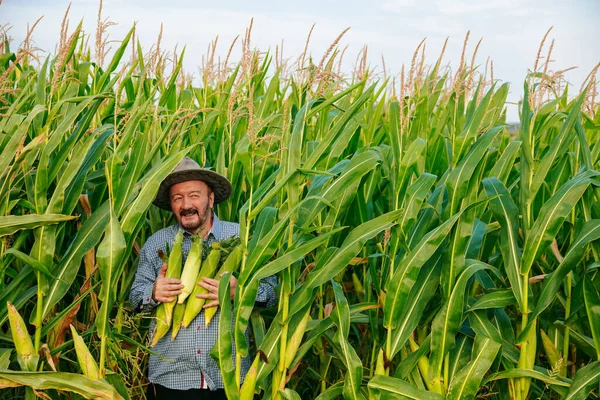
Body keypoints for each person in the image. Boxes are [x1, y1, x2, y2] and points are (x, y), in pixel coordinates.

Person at [129, 157, 277, 400]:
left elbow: (272, 292)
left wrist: (241, 292)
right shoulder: (156, 243)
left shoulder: (242, 239)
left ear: (210, 198)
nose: (186, 204)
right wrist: (153, 292)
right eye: (178, 198)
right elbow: (134, 298)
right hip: (171, 379)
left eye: (194, 195)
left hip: (230, 378)